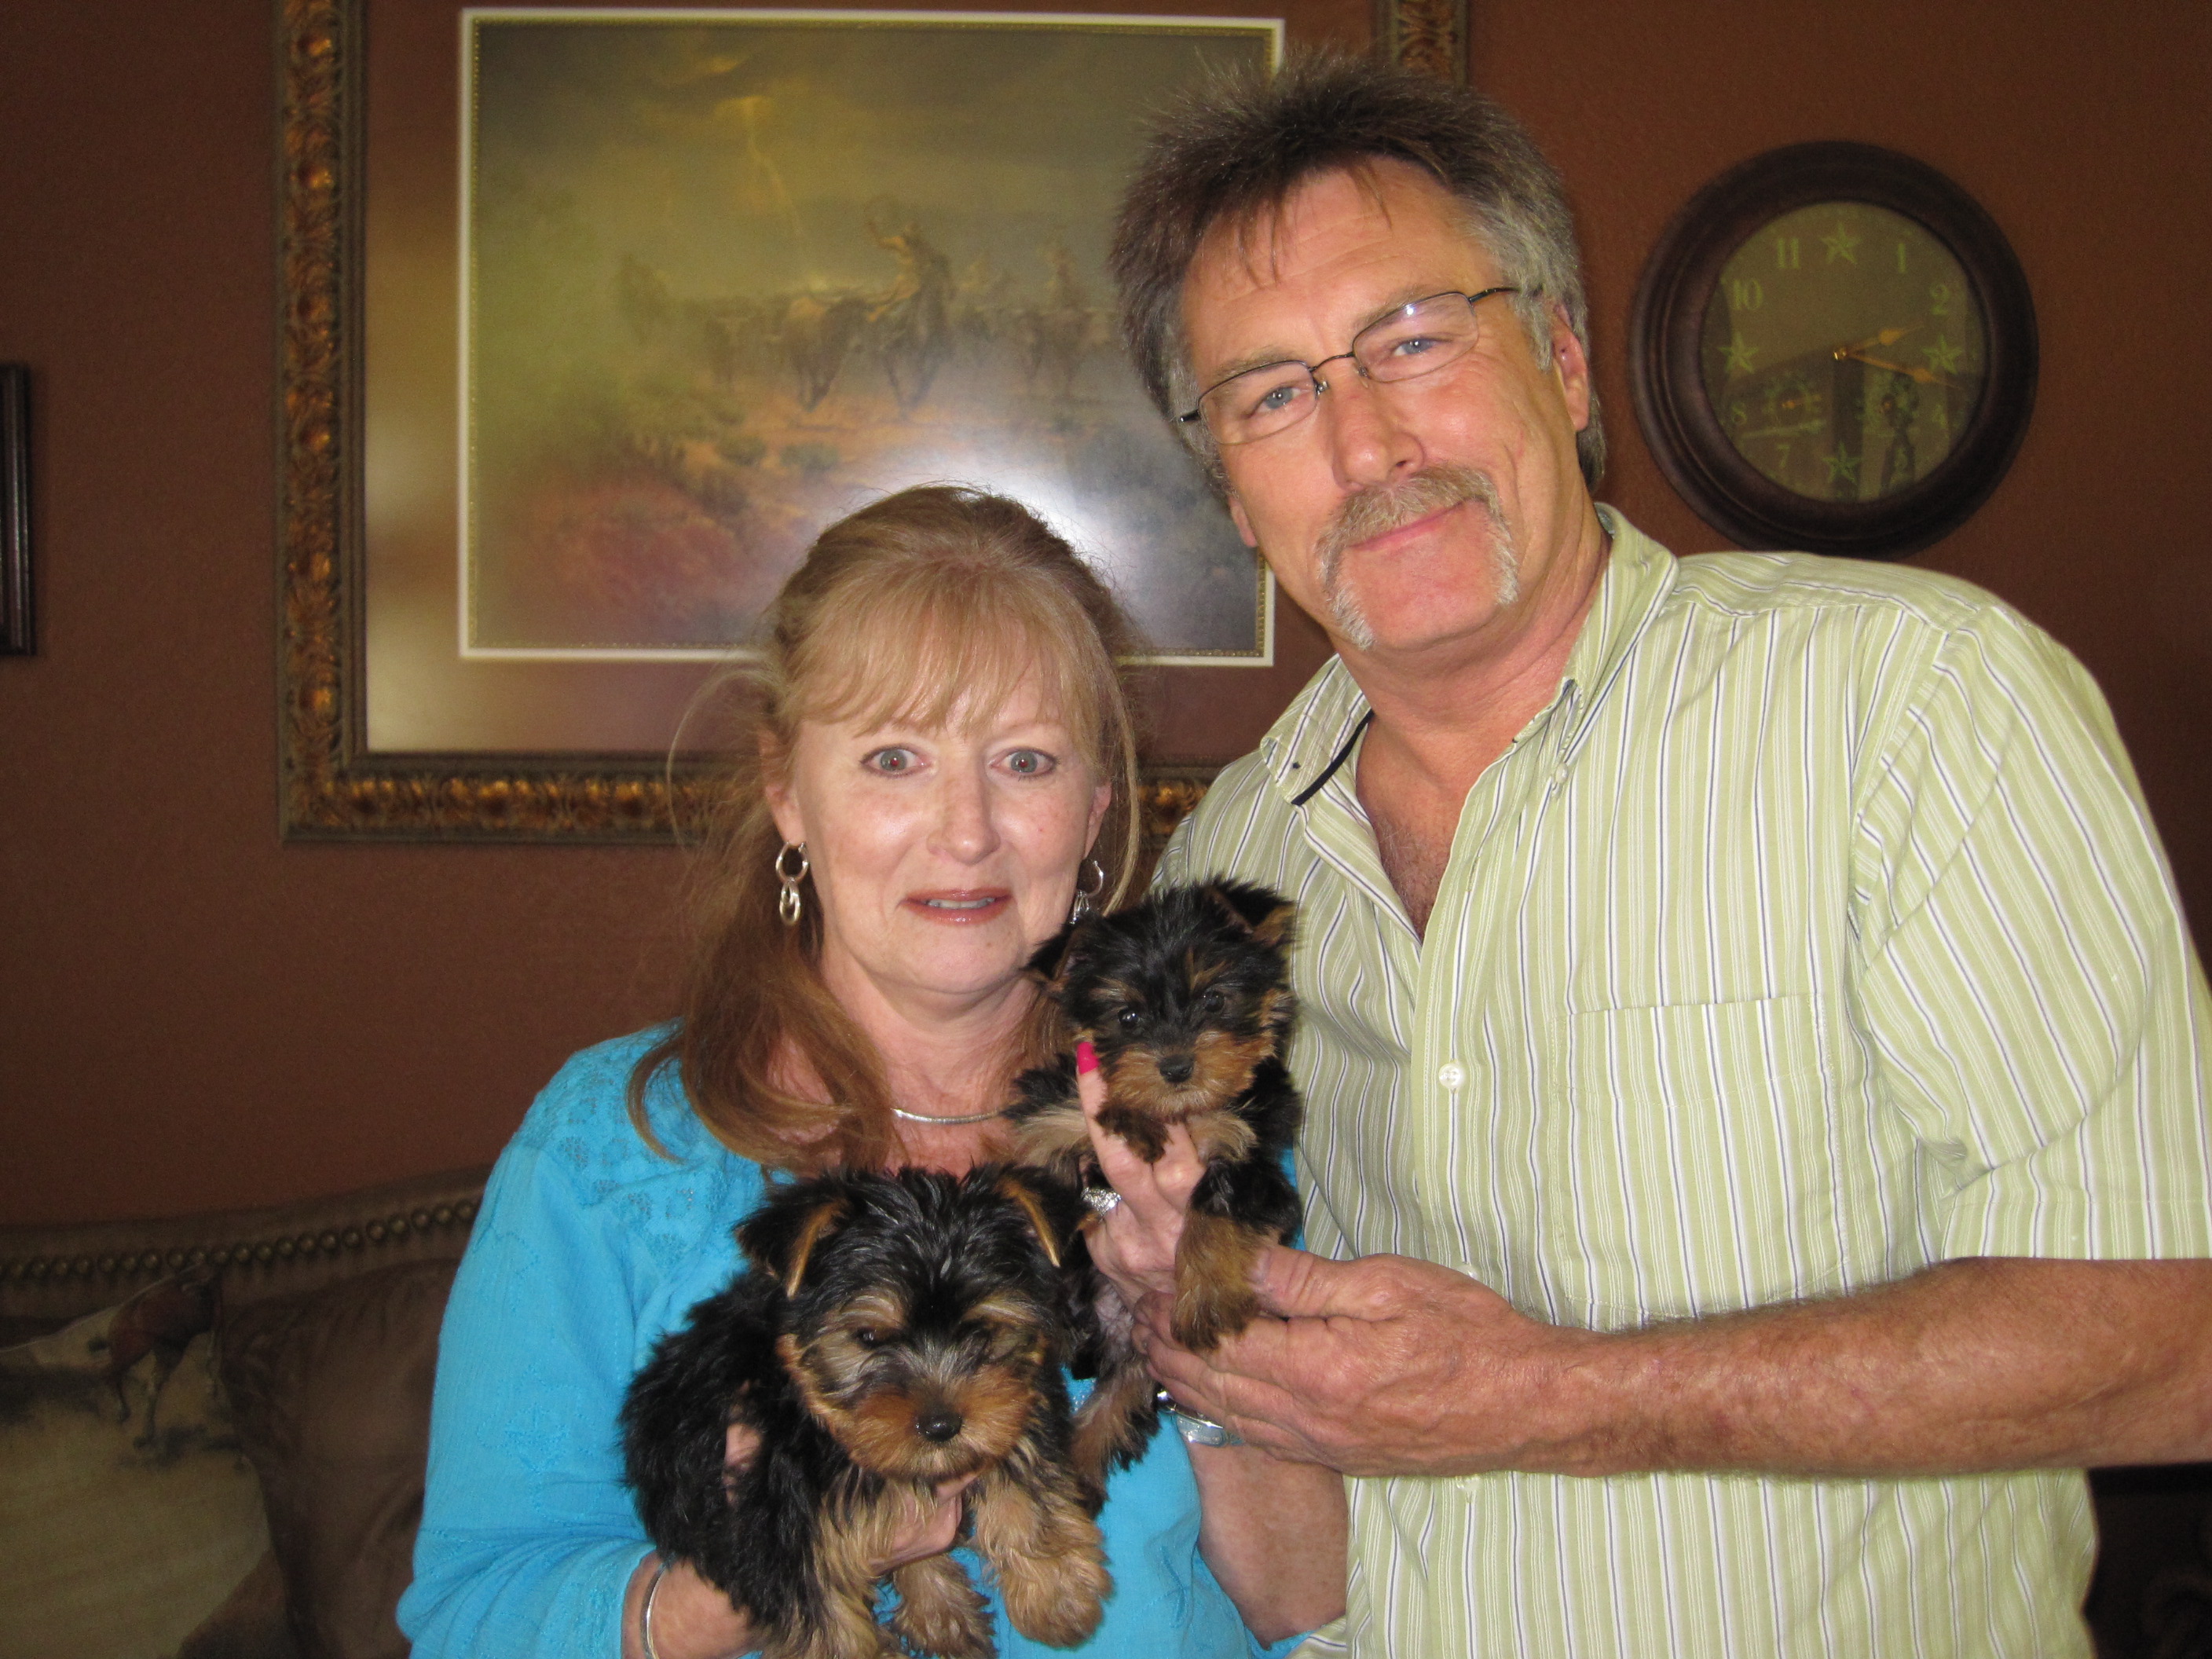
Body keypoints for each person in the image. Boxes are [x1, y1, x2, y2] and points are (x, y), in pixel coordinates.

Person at [1105, 54, 2212, 1657]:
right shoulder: (1226, 858)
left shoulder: (1916, 705)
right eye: (1273, 394)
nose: (1365, 443)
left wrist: (1548, 1396)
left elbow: (2174, 1337)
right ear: (1230, 490)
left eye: (1414, 337)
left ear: (1562, 360)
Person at [397, 485, 1347, 1658]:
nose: (967, 830)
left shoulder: (1194, 1125)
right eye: (895, 759)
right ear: (787, 791)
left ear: (1096, 809)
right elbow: (473, 1619)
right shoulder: (614, 1148)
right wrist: (767, 1565)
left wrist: (1193, 1337)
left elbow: (1306, 1605)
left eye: (1026, 761)